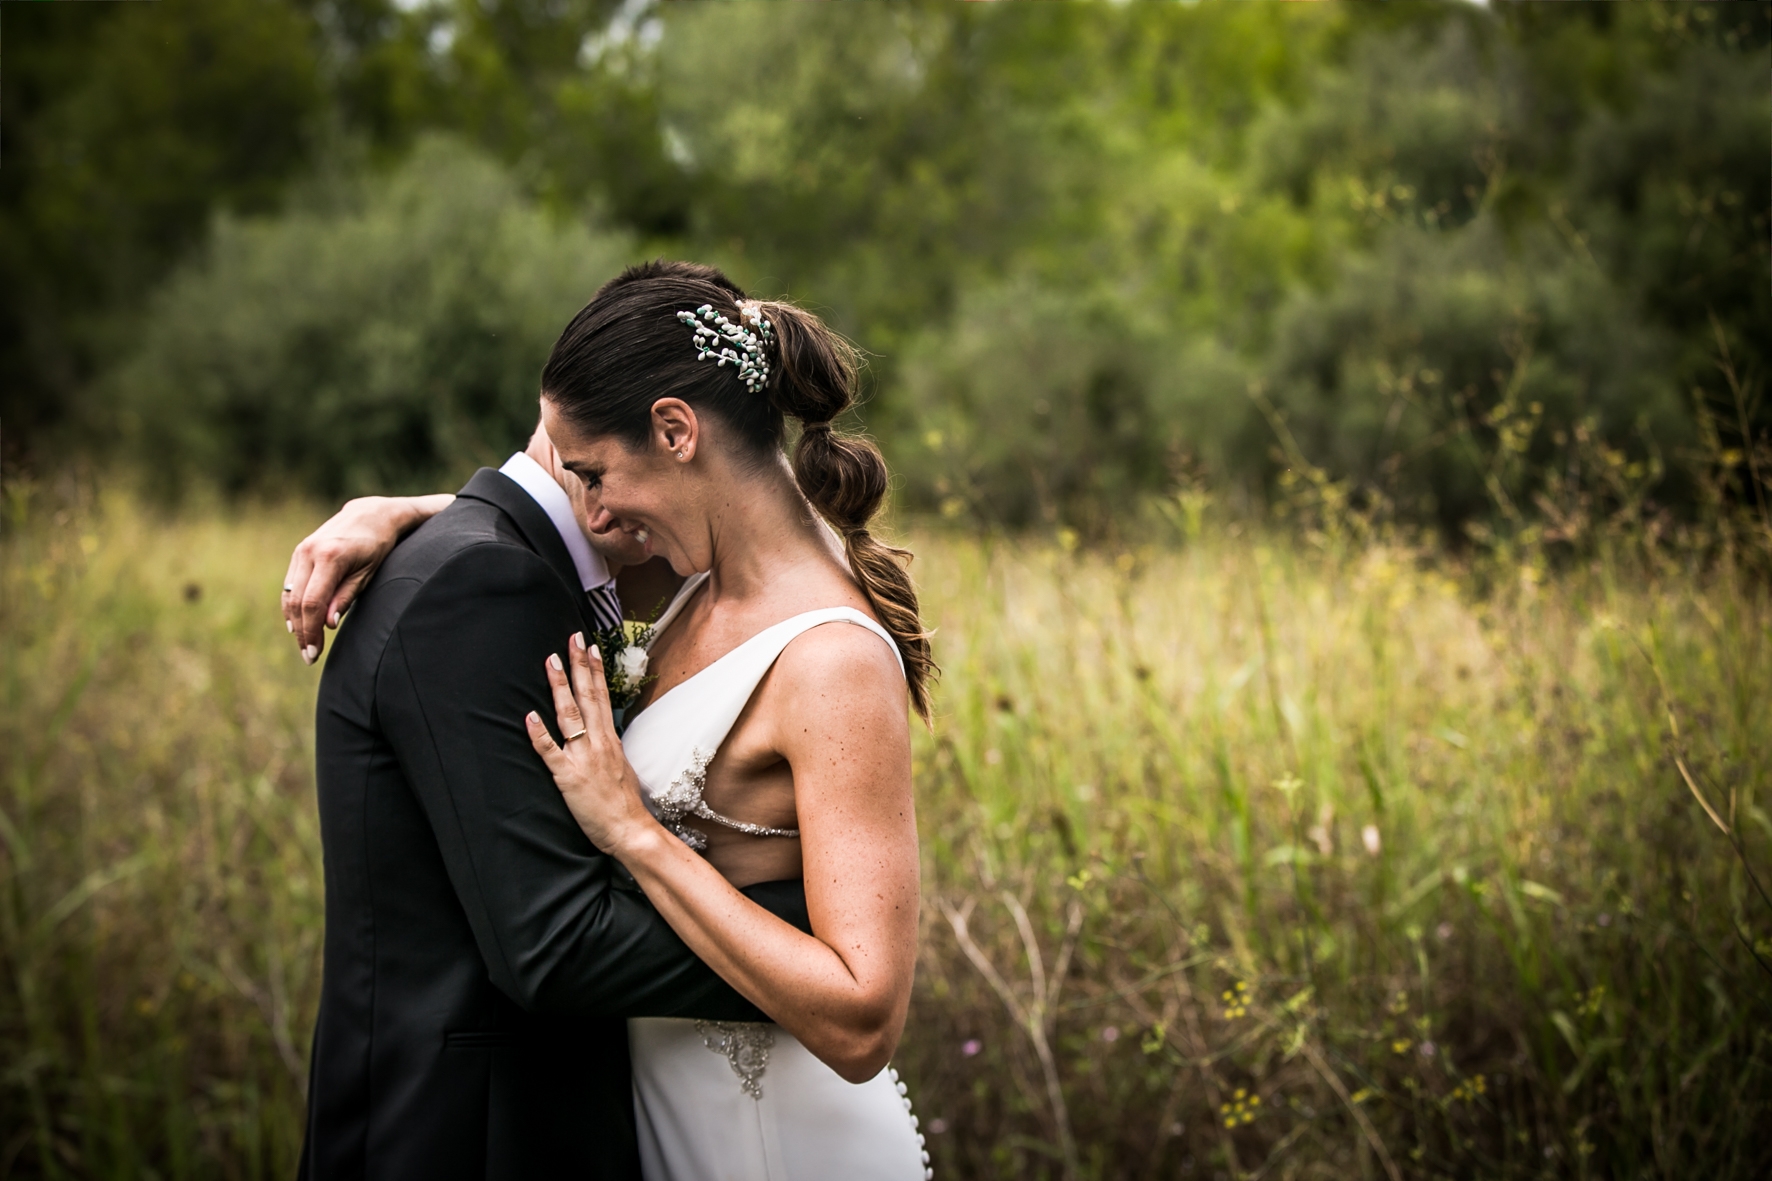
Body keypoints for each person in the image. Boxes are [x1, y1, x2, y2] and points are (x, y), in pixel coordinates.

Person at [283, 260, 935, 1180]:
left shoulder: (833, 660)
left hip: (768, 1141)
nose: (592, 510)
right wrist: (412, 514)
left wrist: (633, 830)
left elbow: (866, 1014)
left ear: (676, 429)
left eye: (593, 473)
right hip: (662, 1121)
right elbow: (523, 543)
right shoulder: (694, 578)